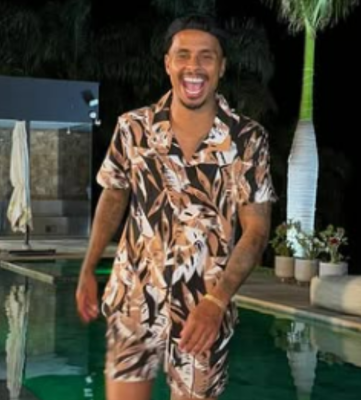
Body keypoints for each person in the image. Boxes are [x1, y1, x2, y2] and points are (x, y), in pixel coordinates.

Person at [76, 13, 276, 400]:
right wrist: (88, 267)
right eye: (183, 55)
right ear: (168, 63)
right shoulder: (133, 128)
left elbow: (256, 230)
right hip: (132, 299)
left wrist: (217, 302)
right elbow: (114, 195)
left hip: (203, 310)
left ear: (221, 67)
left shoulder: (248, 139)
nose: (193, 67)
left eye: (206, 56)